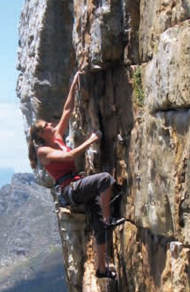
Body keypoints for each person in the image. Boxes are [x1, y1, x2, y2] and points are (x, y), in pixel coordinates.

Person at [28, 73, 122, 280]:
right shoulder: (43, 152)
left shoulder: (57, 137)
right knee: (105, 179)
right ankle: (108, 218)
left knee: (98, 229)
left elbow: (67, 110)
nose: (52, 126)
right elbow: (69, 155)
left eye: (50, 125)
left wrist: (74, 84)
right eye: (47, 127)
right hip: (70, 191)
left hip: (77, 185)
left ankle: (102, 270)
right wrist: (91, 140)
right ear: (41, 136)